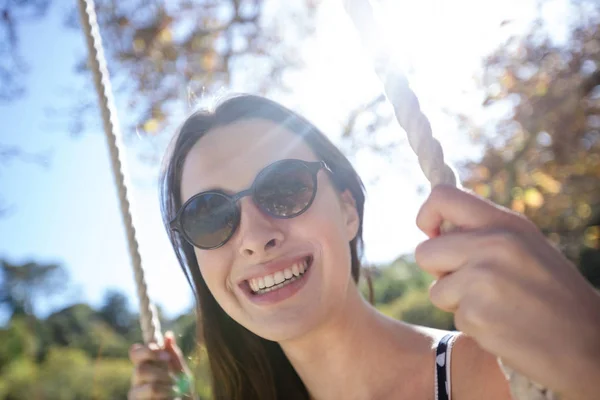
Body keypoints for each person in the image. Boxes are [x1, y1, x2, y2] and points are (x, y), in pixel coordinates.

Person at [128, 94, 600, 400]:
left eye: (285, 188)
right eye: (210, 217)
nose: (253, 237)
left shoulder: (503, 379)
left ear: (348, 210)